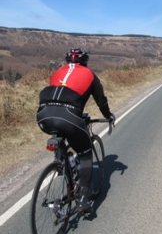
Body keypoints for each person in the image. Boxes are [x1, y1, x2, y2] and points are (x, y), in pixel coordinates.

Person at [36, 48, 115, 211]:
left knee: (64, 132)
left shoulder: (57, 72)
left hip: (43, 116)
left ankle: (66, 161)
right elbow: (101, 101)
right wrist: (108, 115)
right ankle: (83, 198)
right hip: (69, 117)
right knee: (85, 154)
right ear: (85, 61)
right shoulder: (90, 75)